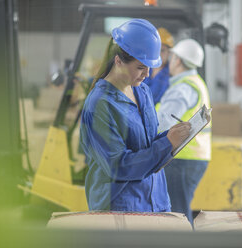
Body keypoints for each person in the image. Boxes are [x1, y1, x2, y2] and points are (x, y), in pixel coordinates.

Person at [79, 19, 191, 212]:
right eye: (141, 67)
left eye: (150, 67)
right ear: (118, 61)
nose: (147, 74)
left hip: (156, 201)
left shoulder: (142, 91)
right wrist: (166, 144)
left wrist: (171, 138)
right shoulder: (100, 105)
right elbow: (118, 166)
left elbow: (145, 144)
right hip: (122, 206)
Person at [155, 39, 212, 224]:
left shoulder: (183, 88)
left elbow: (164, 122)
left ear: (178, 60)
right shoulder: (196, 82)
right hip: (193, 158)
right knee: (179, 212)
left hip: (182, 159)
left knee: (177, 216)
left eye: (171, 57)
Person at [144, 27, 174, 105]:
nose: (158, 54)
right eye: (156, 49)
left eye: (162, 50)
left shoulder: (172, 74)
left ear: (169, 52)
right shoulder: (143, 69)